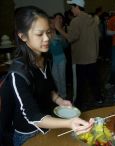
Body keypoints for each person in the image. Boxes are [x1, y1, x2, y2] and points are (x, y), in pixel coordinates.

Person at [0, 6, 94, 146]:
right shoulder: (17, 74)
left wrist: (60, 101)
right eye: (39, 34)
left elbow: (47, 90)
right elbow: (34, 117)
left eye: (48, 32)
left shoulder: (45, 59)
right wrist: (69, 123)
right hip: (28, 134)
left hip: (49, 124)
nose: (46, 38)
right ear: (23, 36)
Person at [55, 0, 103, 109]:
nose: (71, 10)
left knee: (79, 84)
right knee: (94, 80)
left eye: (72, 7)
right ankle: (99, 98)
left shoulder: (76, 21)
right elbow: (99, 36)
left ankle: (78, 104)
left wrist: (58, 28)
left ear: (77, 6)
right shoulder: (92, 19)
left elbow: (70, 38)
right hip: (92, 56)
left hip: (81, 58)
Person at [49, 13, 68, 98]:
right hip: (54, 59)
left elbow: (65, 46)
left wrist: (61, 40)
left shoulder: (59, 33)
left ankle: (63, 95)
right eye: (51, 23)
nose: (52, 24)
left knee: (62, 77)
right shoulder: (48, 35)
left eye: (53, 23)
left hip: (61, 58)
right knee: (55, 77)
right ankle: (59, 93)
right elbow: (48, 50)